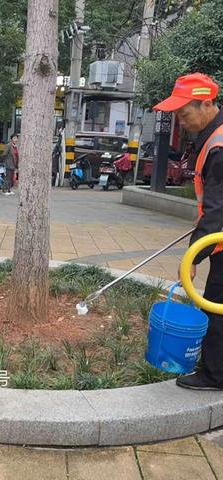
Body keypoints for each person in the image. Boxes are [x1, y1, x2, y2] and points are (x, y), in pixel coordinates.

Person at [154, 72, 223, 390]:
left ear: (206, 103)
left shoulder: (219, 147)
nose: (181, 122)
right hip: (216, 236)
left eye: (185, 113)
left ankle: (215, 374)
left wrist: (193, 257)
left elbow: (217, 211)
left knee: (216, 304)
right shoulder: (214, 137)